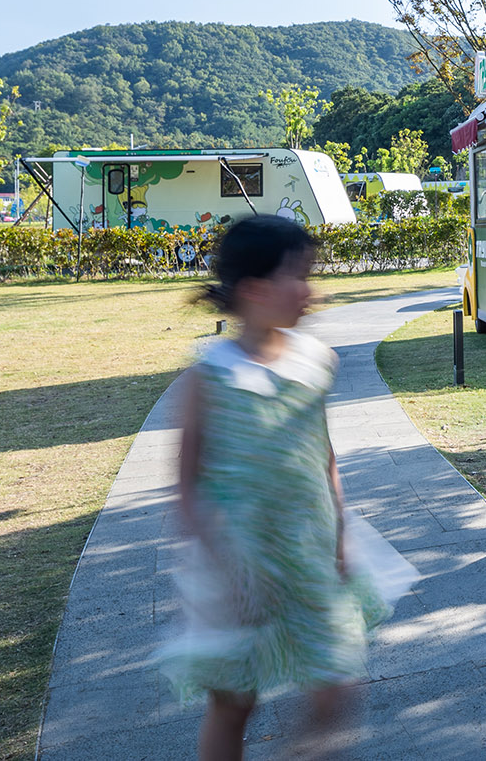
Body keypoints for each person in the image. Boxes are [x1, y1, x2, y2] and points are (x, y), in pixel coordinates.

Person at [162, 215, 399, 760]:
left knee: (336, 679)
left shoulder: (315, 362)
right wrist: (219, 561)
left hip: (307, 551)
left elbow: (324, 452)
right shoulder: (208, 378)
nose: (312, 290)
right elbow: (187, 480)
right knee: (233, 699)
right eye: (300, 275)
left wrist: (340, 532)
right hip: (237, 566)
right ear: (255, 290)